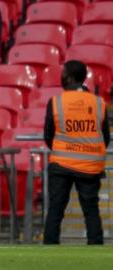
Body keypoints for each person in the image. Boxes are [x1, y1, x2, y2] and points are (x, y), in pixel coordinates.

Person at [43, 60, 110, 245]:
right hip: (90, 166)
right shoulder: (98, 103)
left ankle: (48, 253)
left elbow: (48, 135)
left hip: (61, 165)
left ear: (69, 76)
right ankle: (95, 252)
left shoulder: (56, 102)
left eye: (63, 72)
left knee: (56, 210)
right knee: (91, 211)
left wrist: (63, 148)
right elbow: (105, 137)